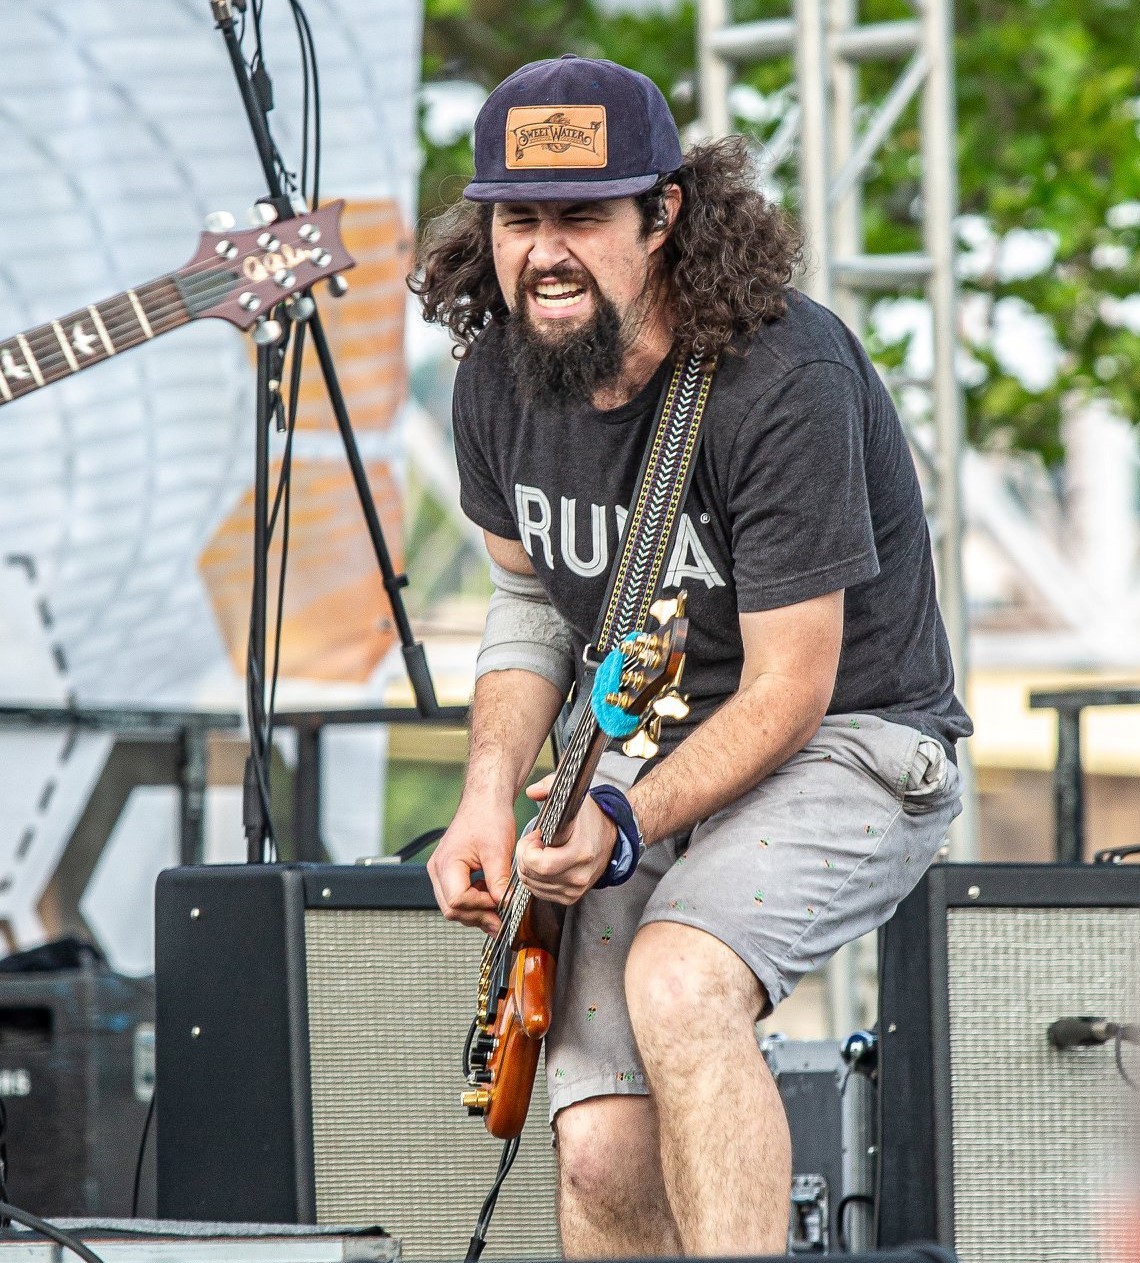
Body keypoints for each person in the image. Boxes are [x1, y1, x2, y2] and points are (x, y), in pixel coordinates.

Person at [410, 53, 972, 1257]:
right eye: (520, 219)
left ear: (664, 216)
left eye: (583, 217)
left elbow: (792, 686)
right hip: (642, 754)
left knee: (680, 979)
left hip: (850, 742)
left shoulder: (785, 378)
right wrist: (485, 798)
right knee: (604, 1148)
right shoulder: (496, 382)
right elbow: (529, 607)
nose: (545, 253)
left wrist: (617, 813)